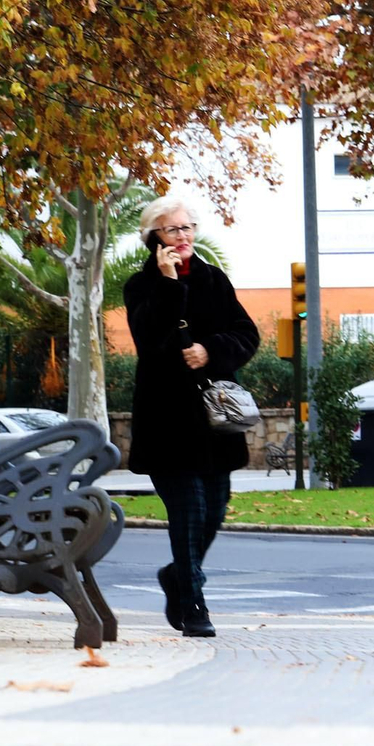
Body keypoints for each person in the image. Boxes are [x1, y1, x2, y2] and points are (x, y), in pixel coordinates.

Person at [123, 195, 260, 638]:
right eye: (172, 230)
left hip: (214, 423)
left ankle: (177, 576)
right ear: (153, 239)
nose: (182, 237)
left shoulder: (214, 280)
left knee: (215, 511)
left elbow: (246, 334)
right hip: (167, 423)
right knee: (188, 511)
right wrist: (167, 283)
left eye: (187, 228)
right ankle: (194, 601)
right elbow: (148, 339)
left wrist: (211, 350)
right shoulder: (140, 286)